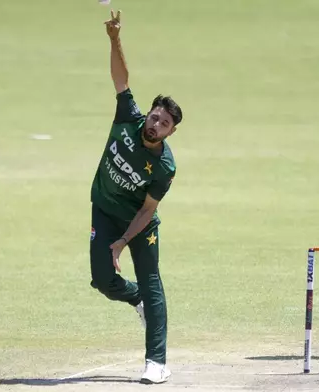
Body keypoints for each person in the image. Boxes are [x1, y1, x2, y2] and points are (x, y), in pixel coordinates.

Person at [88, 10, 182, 384]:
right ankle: (135, 299)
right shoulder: (129, 117)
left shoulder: (164, 168)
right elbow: (121, 80)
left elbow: (147, 210)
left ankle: (156, 362)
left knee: (152, 281)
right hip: (104, 210)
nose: (156, 124)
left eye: (164, 123)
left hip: (139, 226)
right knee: (102, 281)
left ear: (171, 132)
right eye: (155, 117)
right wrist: (114, 38)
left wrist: (124, 242)